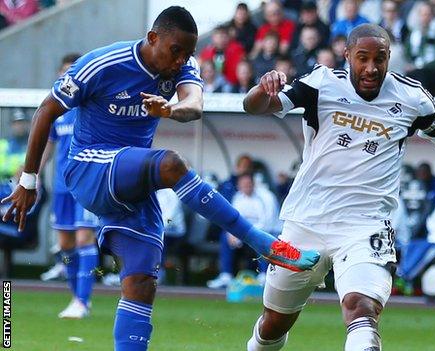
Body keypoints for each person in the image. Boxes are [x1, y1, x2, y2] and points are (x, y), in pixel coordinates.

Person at [0, 7, 319, 351]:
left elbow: (194, 105)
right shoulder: (103, 63)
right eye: (175, 51)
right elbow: (46, 110)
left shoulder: (183, 66)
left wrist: (170, 110)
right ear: (153, 38)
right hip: (89, 166)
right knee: (171, 163)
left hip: (131, 182)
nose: (181, 60)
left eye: (188, 53)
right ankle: (262, 243)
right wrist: (28, 181)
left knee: (141, 283)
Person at [242, 23, 435, 351]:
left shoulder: (412, 98)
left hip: (366, 226)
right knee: (274, 324)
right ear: (347, 56)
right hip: (306, 222)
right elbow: (254, 107)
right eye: (362, 58)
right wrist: (262, 88)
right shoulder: (321, 84)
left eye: (380, 58)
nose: (371, 67)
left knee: (361, 309)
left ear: (389, 57)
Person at [37, 53, 100, 319]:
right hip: (62, 185)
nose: (67, 78)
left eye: (70, 72)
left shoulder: (90, 106)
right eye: (63, 73)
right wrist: (34, 175)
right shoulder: (57, 111)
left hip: (85, 184)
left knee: (85, 238)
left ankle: (83, 301)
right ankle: (77, 297)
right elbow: (48, 145)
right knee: (65, 244)